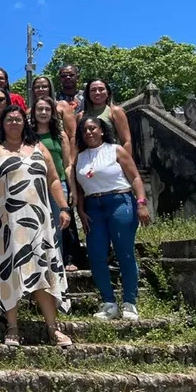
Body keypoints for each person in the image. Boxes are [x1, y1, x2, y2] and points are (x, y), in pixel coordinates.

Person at [0, 105, 73, 348]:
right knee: (9, 271)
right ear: (2, 124)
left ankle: (53, 328)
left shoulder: (39, 148)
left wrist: (63, 207)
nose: (13, 123)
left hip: (39, 221)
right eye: (9, 119)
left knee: (43, 271)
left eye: (18, 119)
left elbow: (53, 180)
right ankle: (12, 327)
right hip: (7, 223)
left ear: (24, 122)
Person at [74, 116, 150, 321]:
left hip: (119, 200)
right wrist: (80, 210)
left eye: (93, 128)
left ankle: (130, 303)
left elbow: (135, 177)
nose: (89, 132)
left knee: (124, 251)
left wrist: (141, 203)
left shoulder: (115, 150)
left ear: (101, 130)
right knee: (96, 254)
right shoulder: (79, 157)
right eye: (85, 130)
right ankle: (108, 302)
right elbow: (79, 189)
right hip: (93, 207)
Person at [31, 96, 74, 268]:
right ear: (33, 112)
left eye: (47, 109)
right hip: (34, 186)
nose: (43, 113)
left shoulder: (60, 135)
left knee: (58, 228)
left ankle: (58, 266)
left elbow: (67, 164)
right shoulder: (28, 136)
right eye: (39, 109)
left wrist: (72, 189)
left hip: (58, 186)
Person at [82, 79, 132, 155]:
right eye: (93, 90)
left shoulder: (115, 111)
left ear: (108, 92)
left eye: (101, 89)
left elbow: (126, 141)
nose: (97, 93)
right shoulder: (81, 116)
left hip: (110, 158)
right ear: (88, 94)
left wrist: (126, 164)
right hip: (87, 160)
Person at [32, 75, 77, 149]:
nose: (40, 89)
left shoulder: (62, 106)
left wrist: (72, 158)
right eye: (37, 87)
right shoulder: (29, 112)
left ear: (50, 88)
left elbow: (73, 135)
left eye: (44, 86)